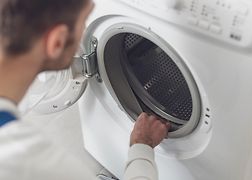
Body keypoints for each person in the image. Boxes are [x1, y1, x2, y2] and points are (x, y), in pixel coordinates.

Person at [0, 0, 170, 180]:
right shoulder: (28, 160)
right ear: (57, 42)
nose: (85, 31)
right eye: (85, 20)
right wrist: (142, 145)